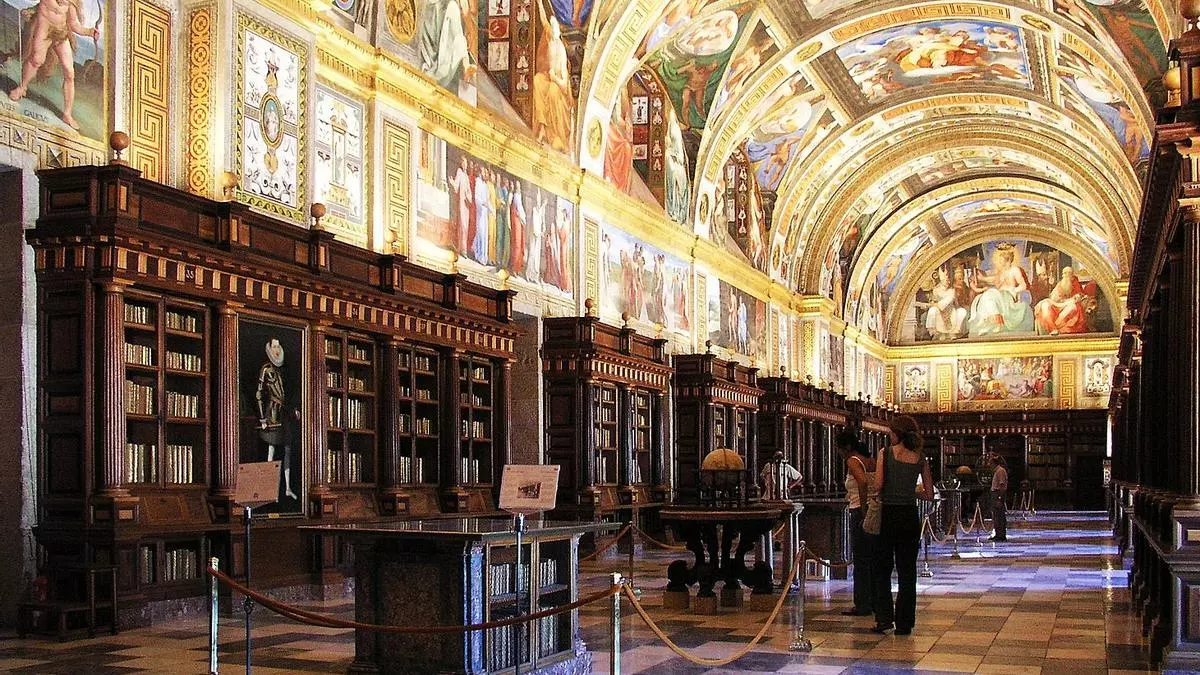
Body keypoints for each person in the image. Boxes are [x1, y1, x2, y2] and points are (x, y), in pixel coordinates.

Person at [872, 415, 934, 636]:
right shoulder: (920, 458)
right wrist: (910, 491)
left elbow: (878, 485)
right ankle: (905, 623)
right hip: (909, 516)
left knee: (882, 568)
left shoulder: (886, 453)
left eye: (891, 431)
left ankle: (884, 619)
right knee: (907, 571)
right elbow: (929, 493)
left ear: (897, 433)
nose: (889, 435)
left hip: (888, 515)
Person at [837, 430, 874, 617]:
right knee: (869, 558)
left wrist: (864, 509)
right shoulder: (869, 460)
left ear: (847, 447)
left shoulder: (852, 460)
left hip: (859, 511)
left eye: (839, 448)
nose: (838, 452)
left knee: (860, 559)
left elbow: (862, 482)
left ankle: (862, 604)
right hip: (870, 509)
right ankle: (872, 600)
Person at [256, 339, 298, 500]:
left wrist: (293, 410)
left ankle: (287, 488)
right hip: (272, 412)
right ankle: (268, 489)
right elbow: (259, 394)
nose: (277, 349)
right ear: (269, 349)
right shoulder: (266, 369)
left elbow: (287, 394)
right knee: (271, 449)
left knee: (287, 449)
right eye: (274, 346)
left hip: (284, 412)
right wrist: (262, 418)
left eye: (278, 346)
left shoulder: (283, 370)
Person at [989, 455, 1009, 542]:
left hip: (998, 494)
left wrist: (999, 498)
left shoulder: (1000, 471)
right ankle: (998, 534)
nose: (989, 465)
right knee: (996, 515)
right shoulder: (997, 471)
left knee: (1000, 515)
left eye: (990, 463)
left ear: (994, 463)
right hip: (995, 494)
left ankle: (1001, 535)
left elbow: (1002, 485)